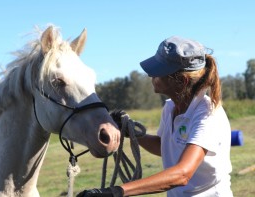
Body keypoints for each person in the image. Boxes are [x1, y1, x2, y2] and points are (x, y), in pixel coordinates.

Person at [77, 36, 233, 196]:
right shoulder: (170, 107)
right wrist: (131, 132)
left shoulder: (207, 115)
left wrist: (115, 192)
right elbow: (163, 146)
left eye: (158, 72)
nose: (151, 76)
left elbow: (183, 174)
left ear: (182, 81)